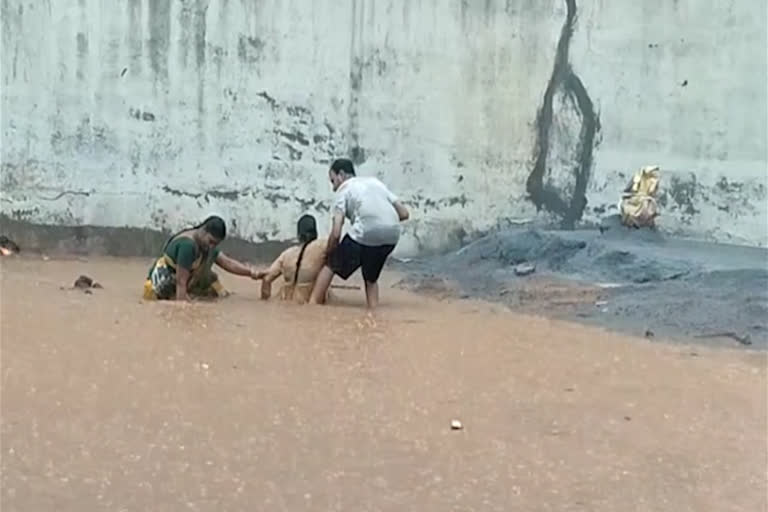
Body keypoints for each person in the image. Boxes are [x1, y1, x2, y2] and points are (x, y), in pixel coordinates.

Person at [309, 158, 409, 309]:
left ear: (341, 175)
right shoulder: (376, 183)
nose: (333, 187)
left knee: (330, 266)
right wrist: (382, 224)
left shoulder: (343, 190)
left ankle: (312, 306)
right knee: (371, 279)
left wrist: (329, 252)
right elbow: (404, 213)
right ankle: (373, 313)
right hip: (392, 235)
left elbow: (336, 233)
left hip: (365, 232)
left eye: (333, 181)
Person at [142, 215, 259, 301]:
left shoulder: (204, 244)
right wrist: (181, 311)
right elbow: (180, 283)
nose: (211, 246)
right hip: (165, 285)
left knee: (219, 293)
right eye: (211, 242)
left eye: (215, 244)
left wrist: (251, 272)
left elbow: (227, 263)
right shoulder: (187, 246)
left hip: (185, 282)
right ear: (203, 231)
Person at [253, 214, 330, 304]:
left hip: (286, 303)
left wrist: (264, 300)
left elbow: (266, 279)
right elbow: (335, 240)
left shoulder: (287, 254)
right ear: (316, 233)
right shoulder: (322, 247)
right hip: (308, 305)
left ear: (298, 235)